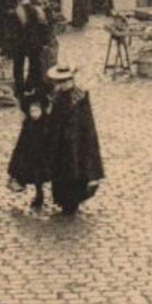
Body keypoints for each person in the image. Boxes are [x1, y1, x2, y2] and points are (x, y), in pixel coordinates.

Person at [43, 66, 105, 215]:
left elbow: (85, 120)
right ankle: (62, 199)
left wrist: (77, 135)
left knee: (76, 169)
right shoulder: (56, 94)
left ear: (71, 80)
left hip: (76, 139)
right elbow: (52, 115)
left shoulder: (80, 96)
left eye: (65, 81)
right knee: (60, 170)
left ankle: (74, 200)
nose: (62, 84)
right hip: (59, 139)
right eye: (59, 82)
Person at [7, 85, 53, 212]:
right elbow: (22, 142)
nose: (34, 114)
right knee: (36, 178)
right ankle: (39, 195)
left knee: (44, 175)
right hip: (31, 154)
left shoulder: (47, 123)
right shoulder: (27, 124)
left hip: (44, 154)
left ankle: (48, 194)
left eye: (36, 111)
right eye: (32, 112)